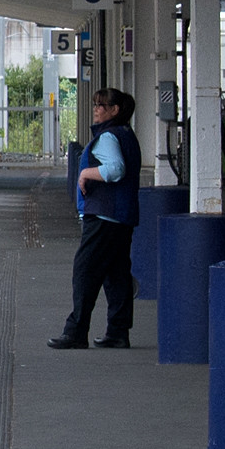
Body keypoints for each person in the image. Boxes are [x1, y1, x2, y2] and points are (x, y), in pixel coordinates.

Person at [53, 87, 143, 349]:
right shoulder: (126, 134)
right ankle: (118, 331)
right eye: (95, 104)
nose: (96, 109)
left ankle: (76, 331)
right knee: (116, 275)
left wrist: (85, 175)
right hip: (123, 216)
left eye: (101, 105)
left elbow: (115, 170)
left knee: (85, 271)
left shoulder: (107, 138)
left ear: (115, 110)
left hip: (104, 215)